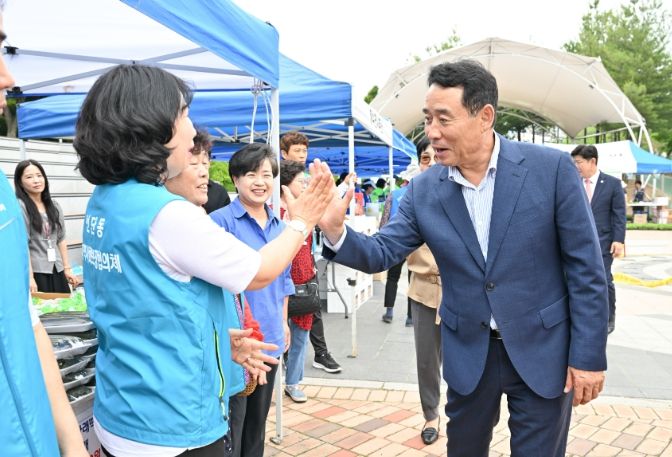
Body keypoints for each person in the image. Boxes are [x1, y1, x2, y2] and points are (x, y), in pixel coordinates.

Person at [318, 60, 608, 457]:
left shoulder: (550, 170)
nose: (431, 132)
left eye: (443, 119)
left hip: (542, 350)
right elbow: (382, 252)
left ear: (484, 116)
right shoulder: (424, 191)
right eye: (427, 119)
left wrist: (588, 355)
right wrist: (335, 230)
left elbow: (586, 269)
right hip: (470, 353)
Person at [74, 64, 334, 457]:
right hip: (172, 423)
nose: (192, 130)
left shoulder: (106, 199)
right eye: (183, 115)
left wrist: (213, 341)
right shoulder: (167, 214)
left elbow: (147, 302)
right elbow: (260, 271)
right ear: (153, 126)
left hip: (123, 409)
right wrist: (302, 221)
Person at [0, 3, 88, 455]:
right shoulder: (16, 204)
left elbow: (28, 324)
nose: (8, 78)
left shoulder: (8, 196)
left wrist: (71, 445)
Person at [209, 144, 295, 457]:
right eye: (251, 174)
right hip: (237, 343)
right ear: (235, 179)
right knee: (233, 424)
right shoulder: (219, 222)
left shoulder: (281, 228)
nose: (260, 182)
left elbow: (284, 280)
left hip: (269, 338)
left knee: (257, 424)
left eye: (266, 175)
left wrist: (283, 322)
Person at [279, 132, 342, 374]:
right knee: (290, 316)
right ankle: (293, 364)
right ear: (284, 153)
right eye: (297, 151)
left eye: (304, 151)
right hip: (285, 266)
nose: (302, 155)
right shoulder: (278, 189)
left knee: (310, 308)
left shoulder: (306, 183)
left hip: (306, 261)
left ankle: (319, 354)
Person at [403, 138, 442, 444]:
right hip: (424, 289)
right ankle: (431, 414)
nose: (432, 163)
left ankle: (465, 414)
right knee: (427, 360)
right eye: (426, 159)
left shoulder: (469, 192)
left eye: (437, 156)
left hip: (464, 292)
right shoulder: (412, 197)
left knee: (468, 360)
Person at [571, 145, 626, 334]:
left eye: (578, 162)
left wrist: (619, 240)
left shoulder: (612, 184)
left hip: (603, 242)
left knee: (604, 279)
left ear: (592, 161)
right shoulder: (573, 182)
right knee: (579, 278)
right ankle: (585, 314)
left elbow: (619, 214)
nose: (576, 166)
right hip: (578, 241)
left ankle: (609, 317)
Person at [280, 160, 317, 403]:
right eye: (300, 182)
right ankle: (274, 381)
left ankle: (293, 382)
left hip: (304, 278)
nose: (304, 185)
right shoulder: (273, 210)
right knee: (277, 333)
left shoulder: (307, 209)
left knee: (301, 334)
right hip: (280, 280)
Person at [15, 159, 80, 293]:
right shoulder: (21, 207)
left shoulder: (54, 205)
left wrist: (67, 268)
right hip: (38, 271)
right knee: (44, 306)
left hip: (57, 267)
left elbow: (61, 239)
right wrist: (30, 277)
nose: (36, 180)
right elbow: (23, 244)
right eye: (29, 177)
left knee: (63, 304)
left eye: (39, 175)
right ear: (20, 182)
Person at [192, 129, 232, 214]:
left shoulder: (219, 192)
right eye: (194, 163)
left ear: (209, 163)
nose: (203, 172)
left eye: (204, 163)